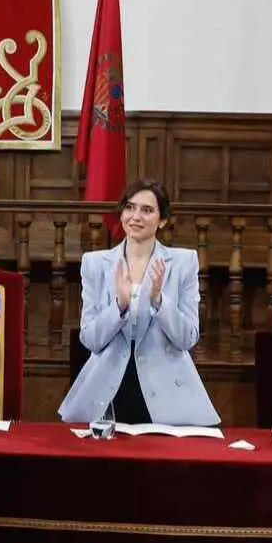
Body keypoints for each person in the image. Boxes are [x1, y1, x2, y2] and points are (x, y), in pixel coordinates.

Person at [58, 179, 218, 426]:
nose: (136, 216)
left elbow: (187, 338)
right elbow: (90, 340)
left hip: (166, 391)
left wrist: (159, 301)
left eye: (147, 210)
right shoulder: (95, 263)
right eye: (130, 208)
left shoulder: (184, 263)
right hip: (108, 388)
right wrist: (119, 305)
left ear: (162, 220)